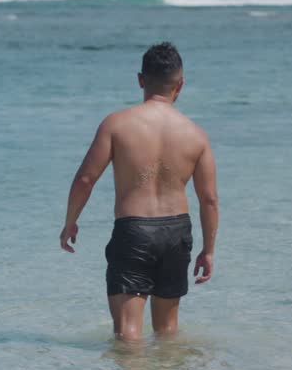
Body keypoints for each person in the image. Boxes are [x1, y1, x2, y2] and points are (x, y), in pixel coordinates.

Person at [60, 42, 219, 341]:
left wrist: (70, 221)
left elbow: (85, 179)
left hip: (134, 232)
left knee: (127, 334)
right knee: (168, 331)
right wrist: (208, 251)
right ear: (180, 85)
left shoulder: (117, 125)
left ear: (140, 79)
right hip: (177, 232)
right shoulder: (196, 135)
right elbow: (208, 200)